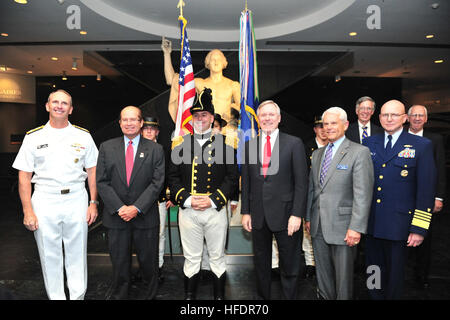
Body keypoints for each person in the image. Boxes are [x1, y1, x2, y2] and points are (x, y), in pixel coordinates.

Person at [12, 89, 99, 300]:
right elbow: (24, 176)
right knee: (49, 255)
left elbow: (93, 171)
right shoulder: (33, 137)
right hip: (44, 200)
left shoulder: (83, 136)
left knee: (77, 253)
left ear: (71, 109)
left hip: (76, 198)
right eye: (55, 102)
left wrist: (93, 202)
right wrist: (27, 211)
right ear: (47, 106)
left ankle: (78, 297)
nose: (59, 106)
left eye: (64, 103)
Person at [168, 88, 239, 300]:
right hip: (188, 211)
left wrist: (212, 200)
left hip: (215, 210)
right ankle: (189, 299)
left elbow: (232, 178)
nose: (200, 119)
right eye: (196, 115)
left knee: (217, 257)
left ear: (212, 117)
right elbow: (172, 177)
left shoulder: (225, 144)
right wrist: (188, 200)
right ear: (192, 118)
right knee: (191, 258)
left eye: (204, 115)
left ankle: (219, 299)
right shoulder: (180, 144)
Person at [362, 99, 436, 300]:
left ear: (404, 118)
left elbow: (426, 191)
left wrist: (419, 228)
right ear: (379, 118)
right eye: (385, 115)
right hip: (372, 223)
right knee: (373, 270)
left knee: (395, 276)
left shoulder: (421, 146)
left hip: (400, 225)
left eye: (394, 115)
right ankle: (373, 297)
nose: (389, 119)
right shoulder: (369, 143)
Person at [241, 100, 308, 300]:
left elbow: (301, 183)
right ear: (258, 119)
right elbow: (247, 183)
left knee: (289, 265)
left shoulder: (294, 143)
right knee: (261, 265)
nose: (267, 118)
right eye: (263, 115)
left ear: (279, 119)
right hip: (258, 215)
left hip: (287, 215)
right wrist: (246, 211)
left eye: (271, 115)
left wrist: (297, 214)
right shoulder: (249, 146)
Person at [96, 106, 165, 300]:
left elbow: (157, 182)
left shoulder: (155, 149)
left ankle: (149, 296)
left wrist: (136, 207)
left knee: (148, 262)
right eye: (125, 120)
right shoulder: (106, 147)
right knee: (119, 262)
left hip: (145, 216)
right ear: (119, 123)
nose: (129, 123)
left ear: (141, 123)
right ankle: (120, 295)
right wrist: (120, 208)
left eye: (133, 119)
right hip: (116, 216)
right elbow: (101, 181)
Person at [305, 107, 374, 299]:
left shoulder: (359, 152)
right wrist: (309, 218)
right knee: (323, 277)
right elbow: (313, 189)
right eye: (325, 124)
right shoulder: (318, 154)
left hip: (344, 228)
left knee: (343, 282)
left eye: (333, 123)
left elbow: (363, 193)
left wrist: (356, 227)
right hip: (318, 226)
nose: (328, 128)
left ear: (345, 125)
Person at [407, 104, 446, 289]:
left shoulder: (434, 140)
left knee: (424, 237)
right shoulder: (399, 137)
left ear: (426, 119)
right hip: (404, 199)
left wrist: (438, 197)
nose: (417, 118)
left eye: (420, 115)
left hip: (425, 200)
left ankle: (421, 276)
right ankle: (403, 274)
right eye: (413, 115)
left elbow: (439, 170)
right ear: (407, 118)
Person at [162, 38, 240, 123]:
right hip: (205, 128)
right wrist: (166, 54)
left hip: (226, 128)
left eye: (219, 60)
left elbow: (242, 109)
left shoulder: (233, 85)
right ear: (208, 63)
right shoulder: (200, 83)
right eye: (213, 59)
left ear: (224, 63)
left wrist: (233, 113)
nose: (216, 62)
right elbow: (172, 80)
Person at [141, 116, 175, 283]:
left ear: (157, 132)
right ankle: (145, 267)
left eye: (152, 128)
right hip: (138, 202)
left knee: (159, 234)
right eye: (145, 128)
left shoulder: (164, 150)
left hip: (158, 200)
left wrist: (172, 196)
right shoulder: (134, 148)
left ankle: (158, 266)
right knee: (141, 235)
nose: (148, 131)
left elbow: (170, 174)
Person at [302, 116, 328, 279]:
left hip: (328, 198)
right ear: (315, 129)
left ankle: (324, 263)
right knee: (309, 231)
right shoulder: (306, 148)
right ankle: (310, 263)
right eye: (320, 127)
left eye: (325, 126)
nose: (323, 130)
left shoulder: (334, 147)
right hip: (310, 194)